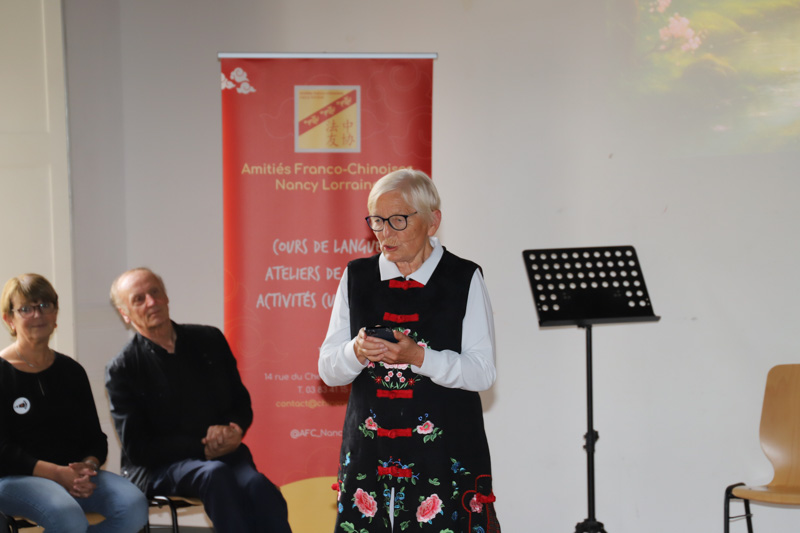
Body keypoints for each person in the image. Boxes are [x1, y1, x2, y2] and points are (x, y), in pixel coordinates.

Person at [319, 169, 501, 532]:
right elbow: (328, 370)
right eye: (377, 221)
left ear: (433, 221)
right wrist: (357, 351)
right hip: (370, 453)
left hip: (443, 455)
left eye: (398, 220)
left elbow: (482, 372)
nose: (385, 233)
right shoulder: (357, 277)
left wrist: (419, 358)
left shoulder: (463, 278)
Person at [104, 267, 292, 533]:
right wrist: (202, 448)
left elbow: (240, 402)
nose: (151, 302)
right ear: (125, 314)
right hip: (160, 467)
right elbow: (138, 448)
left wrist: (233, 429)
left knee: (259, 487)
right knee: (214, 475)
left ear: (166, 296)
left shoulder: (209, 340)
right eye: (139, 299)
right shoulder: (123, 368)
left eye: (155, 292)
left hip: (225, 456)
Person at [0, 273, 148, 533]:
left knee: (134, 506)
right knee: (69, 518)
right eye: (26, 309)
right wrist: (57, 474)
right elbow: (3, 451)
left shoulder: (71, 371)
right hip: (15, 479)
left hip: (74, 476)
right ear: (9, 319)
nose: (38, 315)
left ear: (55, 313)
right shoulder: (3, 372)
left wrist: (88, 466)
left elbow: (95, 439)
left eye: (45, 305)